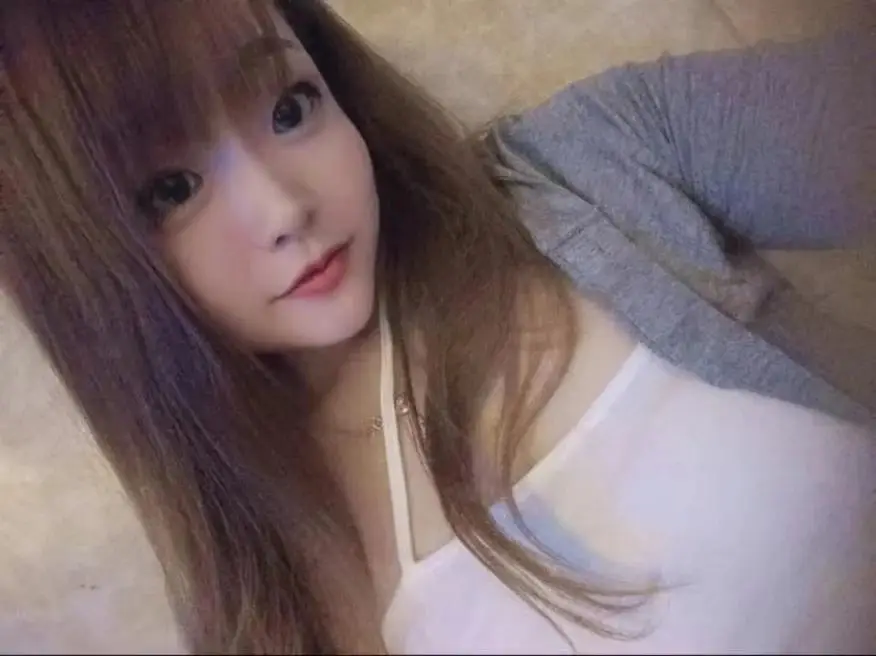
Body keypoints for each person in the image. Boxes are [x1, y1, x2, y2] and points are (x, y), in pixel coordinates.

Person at [1, 0, 875, 653]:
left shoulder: (588, 167)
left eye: (289, 107)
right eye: (171, 191)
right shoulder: (269, 601)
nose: (282, 208)